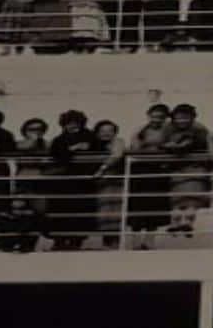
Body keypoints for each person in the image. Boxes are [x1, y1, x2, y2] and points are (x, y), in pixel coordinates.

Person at [47, 110, 98, 251]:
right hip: (63, 182)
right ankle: (59, 241)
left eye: (76, 123)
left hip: (83, 181)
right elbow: (56, 156)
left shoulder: (90, 136)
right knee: (60, 211)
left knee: (81, 211)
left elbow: (98, 149)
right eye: (69, 123)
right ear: (63, 124)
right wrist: (72, 149)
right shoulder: (59, 139)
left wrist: (88, 147)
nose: (72, 126)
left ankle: (77, 241)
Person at [129, 104, 174, 250]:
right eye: (153, 116)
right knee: (138, 206)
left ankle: (149, 241)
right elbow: (135, 148)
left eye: (160, 117)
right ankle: (135, 241)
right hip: (141, 171)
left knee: (155, 206)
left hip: (159, 171)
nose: (156, 119)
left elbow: (171, 147)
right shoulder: (140, 130)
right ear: (148, 116)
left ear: (165, 118)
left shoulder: (169, 131)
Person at [163, 104, 210, 236]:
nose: (182, 121)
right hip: (176, 169)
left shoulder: (200, 129)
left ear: (192, 118)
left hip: (195, 168)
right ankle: (175, 223)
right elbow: (162, 143)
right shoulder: (168, 129)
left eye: (185, 118)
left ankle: (187, 223)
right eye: (178, 118)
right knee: (176, 200)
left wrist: (176, 146)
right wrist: (167, 146)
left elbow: (192, 144)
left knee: (192, 200)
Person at [90, 120, 126, 249]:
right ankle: (106, 243)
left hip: (115, 181)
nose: (106, 133)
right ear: (97, 133)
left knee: (115, 211)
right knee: (103, 212)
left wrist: (102, 168)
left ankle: (115, 243)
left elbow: (117, 155)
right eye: (103, 131)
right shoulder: (94, 144)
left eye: (110, 131)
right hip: (99, 183)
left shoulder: (118, 142)